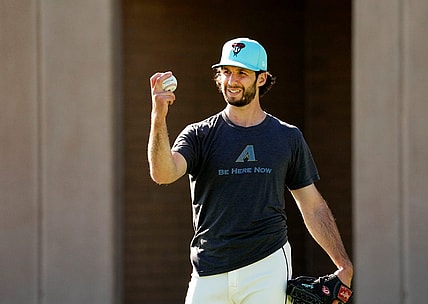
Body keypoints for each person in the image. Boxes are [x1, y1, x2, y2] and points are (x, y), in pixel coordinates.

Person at [148, 37, 353, 304]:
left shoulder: (286, 137)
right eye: (226, 72)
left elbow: (312, 206)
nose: (231, 81)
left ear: (262, 78)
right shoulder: (199, 135)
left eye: (242, 73)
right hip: (208, 270)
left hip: (266, 268)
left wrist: (343, 264)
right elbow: (163, 174)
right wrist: (158, 116)